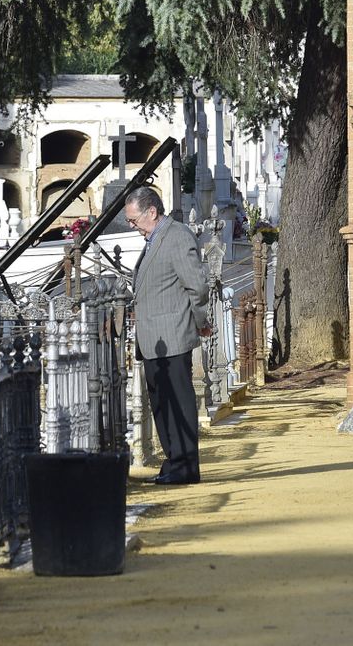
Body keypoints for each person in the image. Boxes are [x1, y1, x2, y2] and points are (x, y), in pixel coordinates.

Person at [124, 186, 212, 485]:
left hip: (172, 333)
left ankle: (185, 465)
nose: (132, 226)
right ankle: (174, 460)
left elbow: (197, 286)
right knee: (161, 401)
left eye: (134, 220)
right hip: (153, 337)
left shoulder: (176, 236)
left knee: (178, 401)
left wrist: (200, 321)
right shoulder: (154, 238)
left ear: (152, 211)